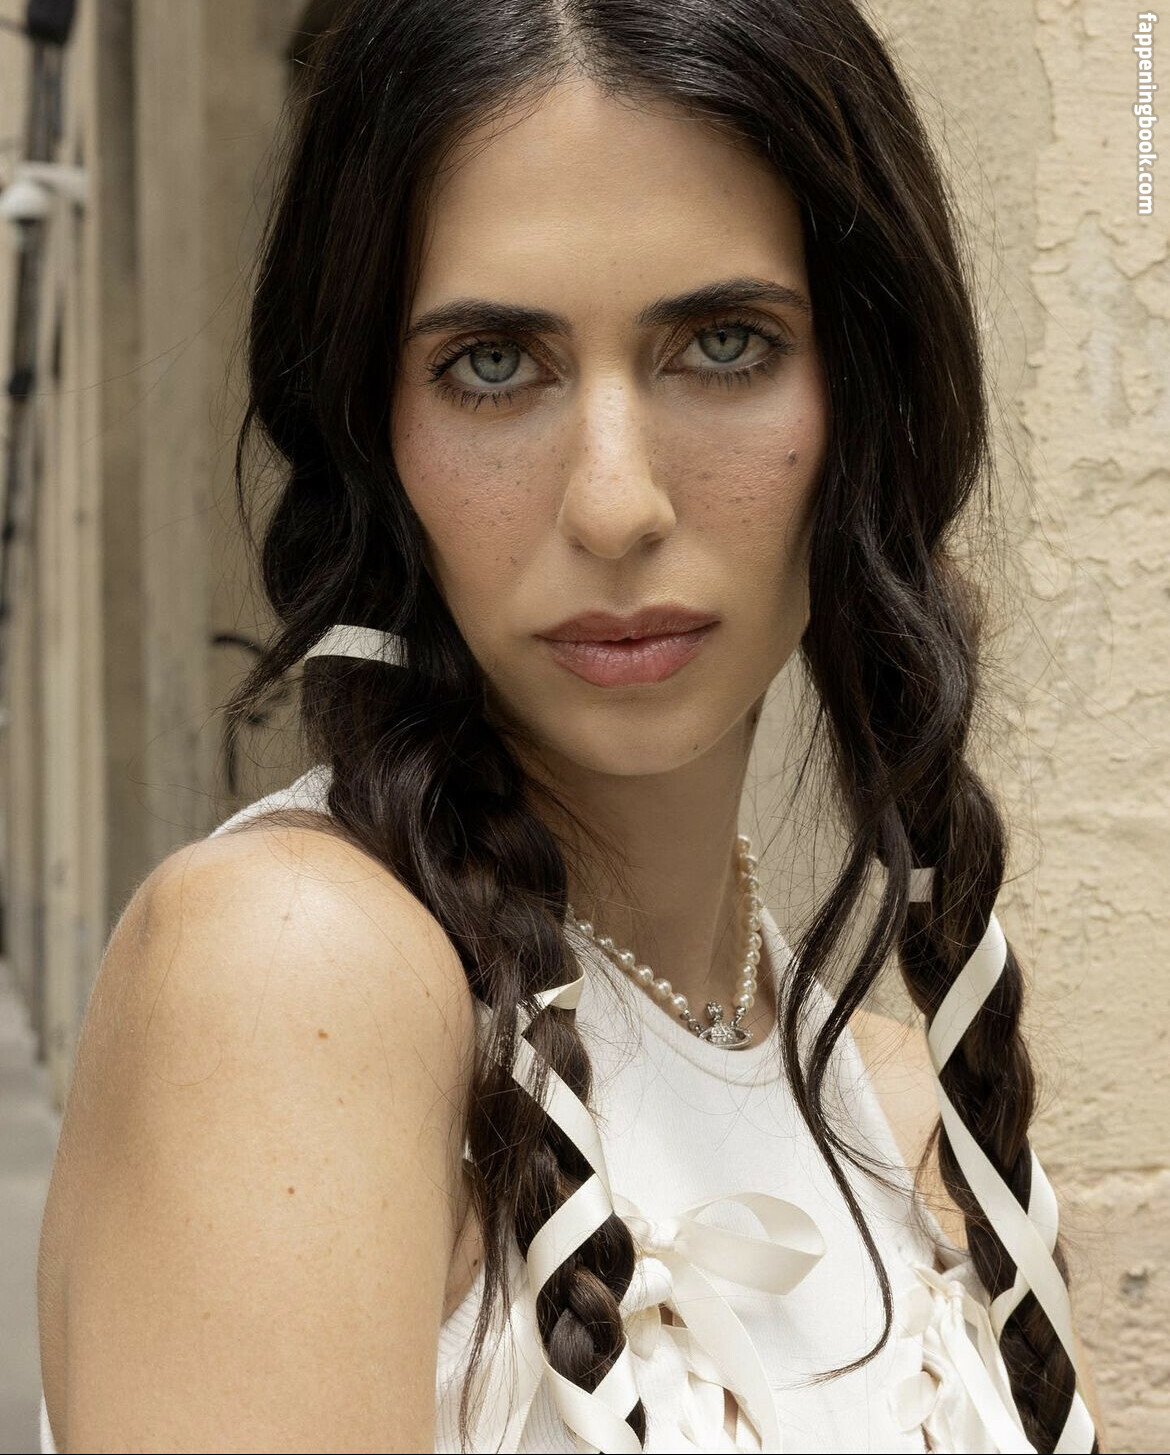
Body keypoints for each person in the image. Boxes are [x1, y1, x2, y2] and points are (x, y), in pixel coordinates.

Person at [36, 1, 1108, 1450]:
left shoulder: (897, 1107)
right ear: (370, 434)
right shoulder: (291, 977)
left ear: (868, 398)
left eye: (723, 343)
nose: (614, 505)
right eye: (493, 364)